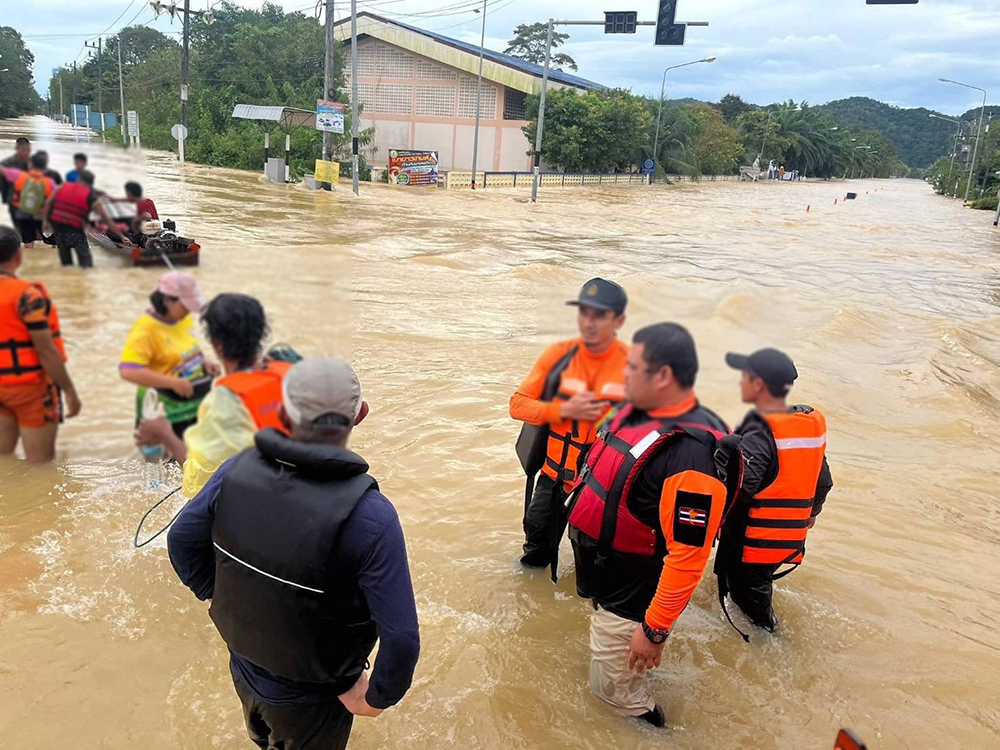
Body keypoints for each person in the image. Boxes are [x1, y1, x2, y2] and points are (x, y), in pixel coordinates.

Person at [167, 358, 420, 750]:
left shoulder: (235, 470)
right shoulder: (371, 517)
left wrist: (221, 597)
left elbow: (181, 540)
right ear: (360, 416)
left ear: (282, 411)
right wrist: (374, 699)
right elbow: (401, 639)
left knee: (263, 740)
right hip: (314, 698)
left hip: (245, 668)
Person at [567, 323, 741, 727]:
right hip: (610, 572)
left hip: (633, 590)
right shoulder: (636, 412)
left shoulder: (691, 459)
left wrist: (654, 631)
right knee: (617, 673)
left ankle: (651, 726)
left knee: (613, 698)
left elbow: (688, 557)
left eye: (632, 367)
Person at [509, 277, 629, 575]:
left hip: (598, 489)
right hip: (552, 478)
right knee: (534, 555)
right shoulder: (557, 357)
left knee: (593, 572)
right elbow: (517, 404)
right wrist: (561, 410)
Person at [714, 348, 833, 633]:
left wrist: (711, 514)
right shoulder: (807, 423)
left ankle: (778, 654)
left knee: (758, 622)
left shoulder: (760, 428)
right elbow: (824, 479)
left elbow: (744, 487)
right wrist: (812, 512)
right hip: (785, 538)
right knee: (745, 595)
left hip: (753, 541)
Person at [135, 293, 293, 497]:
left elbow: (201, 488)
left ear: (216, 342)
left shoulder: (223, 401)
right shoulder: (287, 377)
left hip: (246, 506)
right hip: (285, 491)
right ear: (261, 333)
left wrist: (165, 434)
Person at [0, 225, 82, 462]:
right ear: (18, 256)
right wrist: (69, 390)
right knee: (41, 464)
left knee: (3, 460)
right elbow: (45, 350)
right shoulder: (29, 296)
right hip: (31, 389)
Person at [119, 273, 216, 443]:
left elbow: (189, 348)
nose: (188, 312)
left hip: (192, 404)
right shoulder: (145, 329)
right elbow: (128, 371)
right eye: (185, 306)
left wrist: (204, 362)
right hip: (164, 410)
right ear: (167, 301)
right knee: (166, 464)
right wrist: (172, 382)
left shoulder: (182, 320)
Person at [42, 169, 122, 268]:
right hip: (74, 231)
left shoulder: (62, 186)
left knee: (66, 262)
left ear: (78, 179)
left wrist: (45, 221)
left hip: (58, 229)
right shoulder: (91, 197)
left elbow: (48, 202)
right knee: (86, 263)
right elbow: (107, 220)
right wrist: (122, 236)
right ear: (91, 183)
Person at [10, 153, 55, 246]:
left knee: (28, 240)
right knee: (54, 240)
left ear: (30, 164)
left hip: (22, 213)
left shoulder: (19, 175)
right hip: (41, 215)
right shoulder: (49, 181)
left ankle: (28, 255)